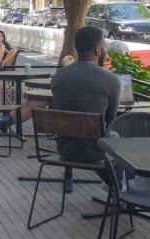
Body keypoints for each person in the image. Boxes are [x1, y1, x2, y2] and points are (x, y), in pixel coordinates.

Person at [49, 26, 121, 173]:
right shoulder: (111, 79)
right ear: (98, 50)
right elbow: (111, 121)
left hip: (64, 149)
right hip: (96, 152)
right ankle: (121, 189)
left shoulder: (58, 77)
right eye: (104, 47)